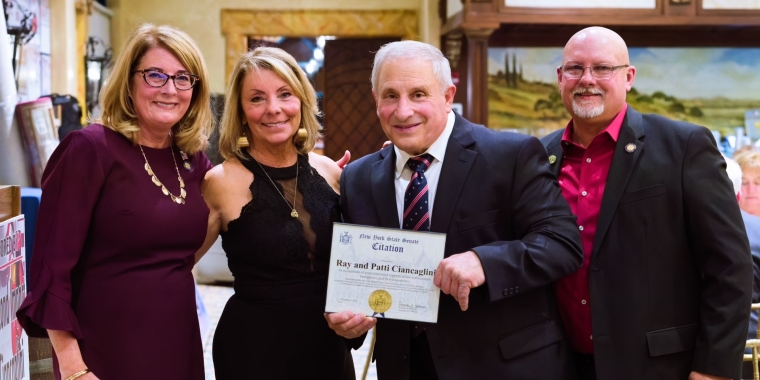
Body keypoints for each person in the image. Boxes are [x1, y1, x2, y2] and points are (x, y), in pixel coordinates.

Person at [326, 40, 584, 379]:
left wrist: (484, 261)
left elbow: (562, 245)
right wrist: (349, 322)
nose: (403, 111)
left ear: (448, 96)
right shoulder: (359, 177)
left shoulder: (511, 155)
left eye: (419, 94)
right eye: (390, 96)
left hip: (502, 367)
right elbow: (360, 275)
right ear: (376, 100)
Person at [540, 26, 751, 380]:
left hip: (662, 367)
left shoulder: (683, 146)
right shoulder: (539, 156)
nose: (587, 79)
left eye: (603, 68)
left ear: (628, 77)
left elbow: (730, 267)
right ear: (560, 78)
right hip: (561, 365)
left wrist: (713, 370)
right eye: (575, 68)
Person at [16, 24, 213, 379]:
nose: (170, 89)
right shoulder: (89, 149)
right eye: (155, 75)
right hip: (105, 350)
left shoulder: (192, 160)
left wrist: (313, 176)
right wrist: (74, 368)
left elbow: (238, 199)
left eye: (183, 78)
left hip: (178, 342)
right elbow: (51, 271)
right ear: (129, 81)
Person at [200, 47, 359, 379]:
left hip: (327, 347)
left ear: (301, 100)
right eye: (256, 98)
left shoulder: (330, 172)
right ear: (241, 112)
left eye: (285, 94)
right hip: (252, 350)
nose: (273, 109)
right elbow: (171, 264)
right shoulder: (220, 182)